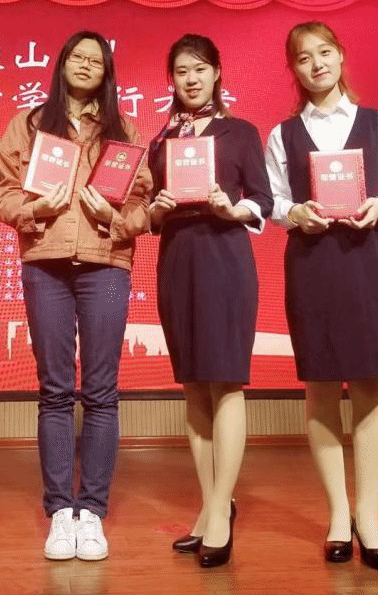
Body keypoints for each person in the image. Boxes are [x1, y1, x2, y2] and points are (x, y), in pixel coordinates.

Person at [0, 30, 152, 562]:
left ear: (107, 72)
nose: (85, 65)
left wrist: (117, 219)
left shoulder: (125, 130)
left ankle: (93, 512)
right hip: (46, 261)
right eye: (77, 58)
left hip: (107, 262)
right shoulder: (29, 124)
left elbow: (145, 201)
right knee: (55, 390)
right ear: (61, 65)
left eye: (95, 60)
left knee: (102, 392)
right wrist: (34, 211)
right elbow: (2, 193)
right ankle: (61, 510)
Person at [265, 21, 378, 572]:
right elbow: (272, 200)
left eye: (324, 52)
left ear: (341, 55)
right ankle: (336, 514)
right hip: (312, 263)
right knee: (322, 385)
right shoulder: (283, 134)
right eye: (304, 58)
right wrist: (294, 213)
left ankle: (369, 518)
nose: (317, 64)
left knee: (371, 386)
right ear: (294, 68)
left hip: (366, 258)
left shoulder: (377, 122)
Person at [148, 34, 273, 569]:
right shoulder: (161, 141)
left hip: (225, 258)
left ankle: (222, 508)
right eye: (181, 71)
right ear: (172, 80)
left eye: (199, 68)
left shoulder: (240, 132)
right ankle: (209, 505)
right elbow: (147, 211)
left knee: (225, 380)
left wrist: (232, 208)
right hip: (177, 259)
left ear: (217, 72)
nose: (191, 79)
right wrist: (156, 208)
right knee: (193, 384)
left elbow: (263, 199)